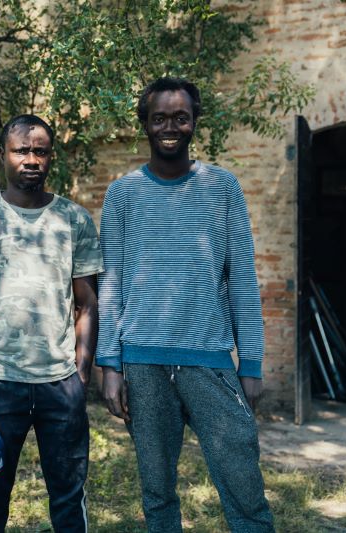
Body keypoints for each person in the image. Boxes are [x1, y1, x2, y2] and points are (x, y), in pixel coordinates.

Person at [97, 77, 274, 532]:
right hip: (143, 363)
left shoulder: (223, 189)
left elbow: (242, 281)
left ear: (194, 123)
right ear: (146, 125)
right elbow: (110, 283)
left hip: (210, 362)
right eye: (159, 118)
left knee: (244, 488)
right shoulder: (122, 194)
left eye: (180, 117)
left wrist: (250, 363)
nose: (169, 127)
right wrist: (110, 364)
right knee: (157, 495)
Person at [0, 114, 103, 532]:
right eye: (21, 150)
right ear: (3, 156)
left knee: (69, 498)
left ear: (51, 157)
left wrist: (81, 374)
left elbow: (87, 304)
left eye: (40, 151)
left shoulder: (75, 220)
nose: (31, 159)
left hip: (60, 383)